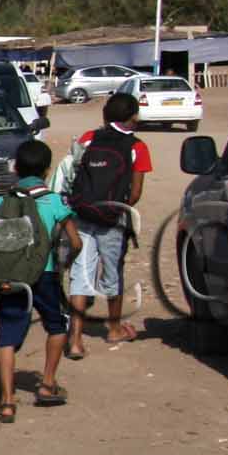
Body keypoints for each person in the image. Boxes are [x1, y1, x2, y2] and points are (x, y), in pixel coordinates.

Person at [0, 139, 80, 419]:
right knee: (56, 327)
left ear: (16, 169)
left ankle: (7, 401)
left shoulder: (2, 201)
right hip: (44, 275)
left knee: (7, 336)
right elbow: (76, 242)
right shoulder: (55, 201)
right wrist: (63, 264)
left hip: (11, 277)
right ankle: (47, 384)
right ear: (47, 170)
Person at [63, 91, 150, 354]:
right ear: (132, 117)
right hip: (113, 218)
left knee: (81, 274)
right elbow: (135, 193)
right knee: (112, 272)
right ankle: (113, 329)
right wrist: (116, 209)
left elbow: (71, 174)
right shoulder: (137, 147)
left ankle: (76, 340)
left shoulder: (89, 138)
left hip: (82, 215)